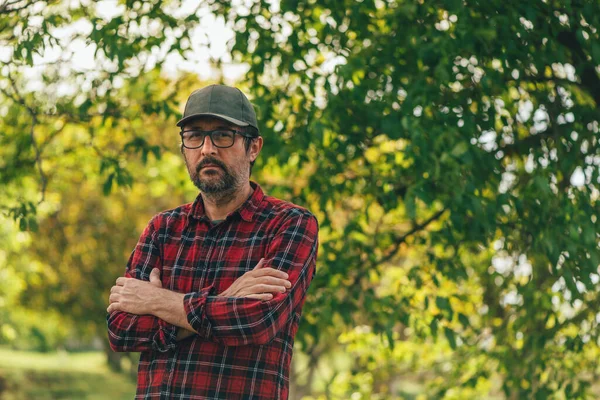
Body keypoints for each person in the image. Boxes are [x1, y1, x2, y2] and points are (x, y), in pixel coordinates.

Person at [106, 84, 319, 400]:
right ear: (184, 149)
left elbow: (257, 320)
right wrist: (227, 299)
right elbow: (120, 328)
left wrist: (156, 301)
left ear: (253, 147)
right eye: (194, 136)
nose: (207, 149)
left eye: (223, 135)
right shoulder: (162, 229)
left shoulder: (289, 224)